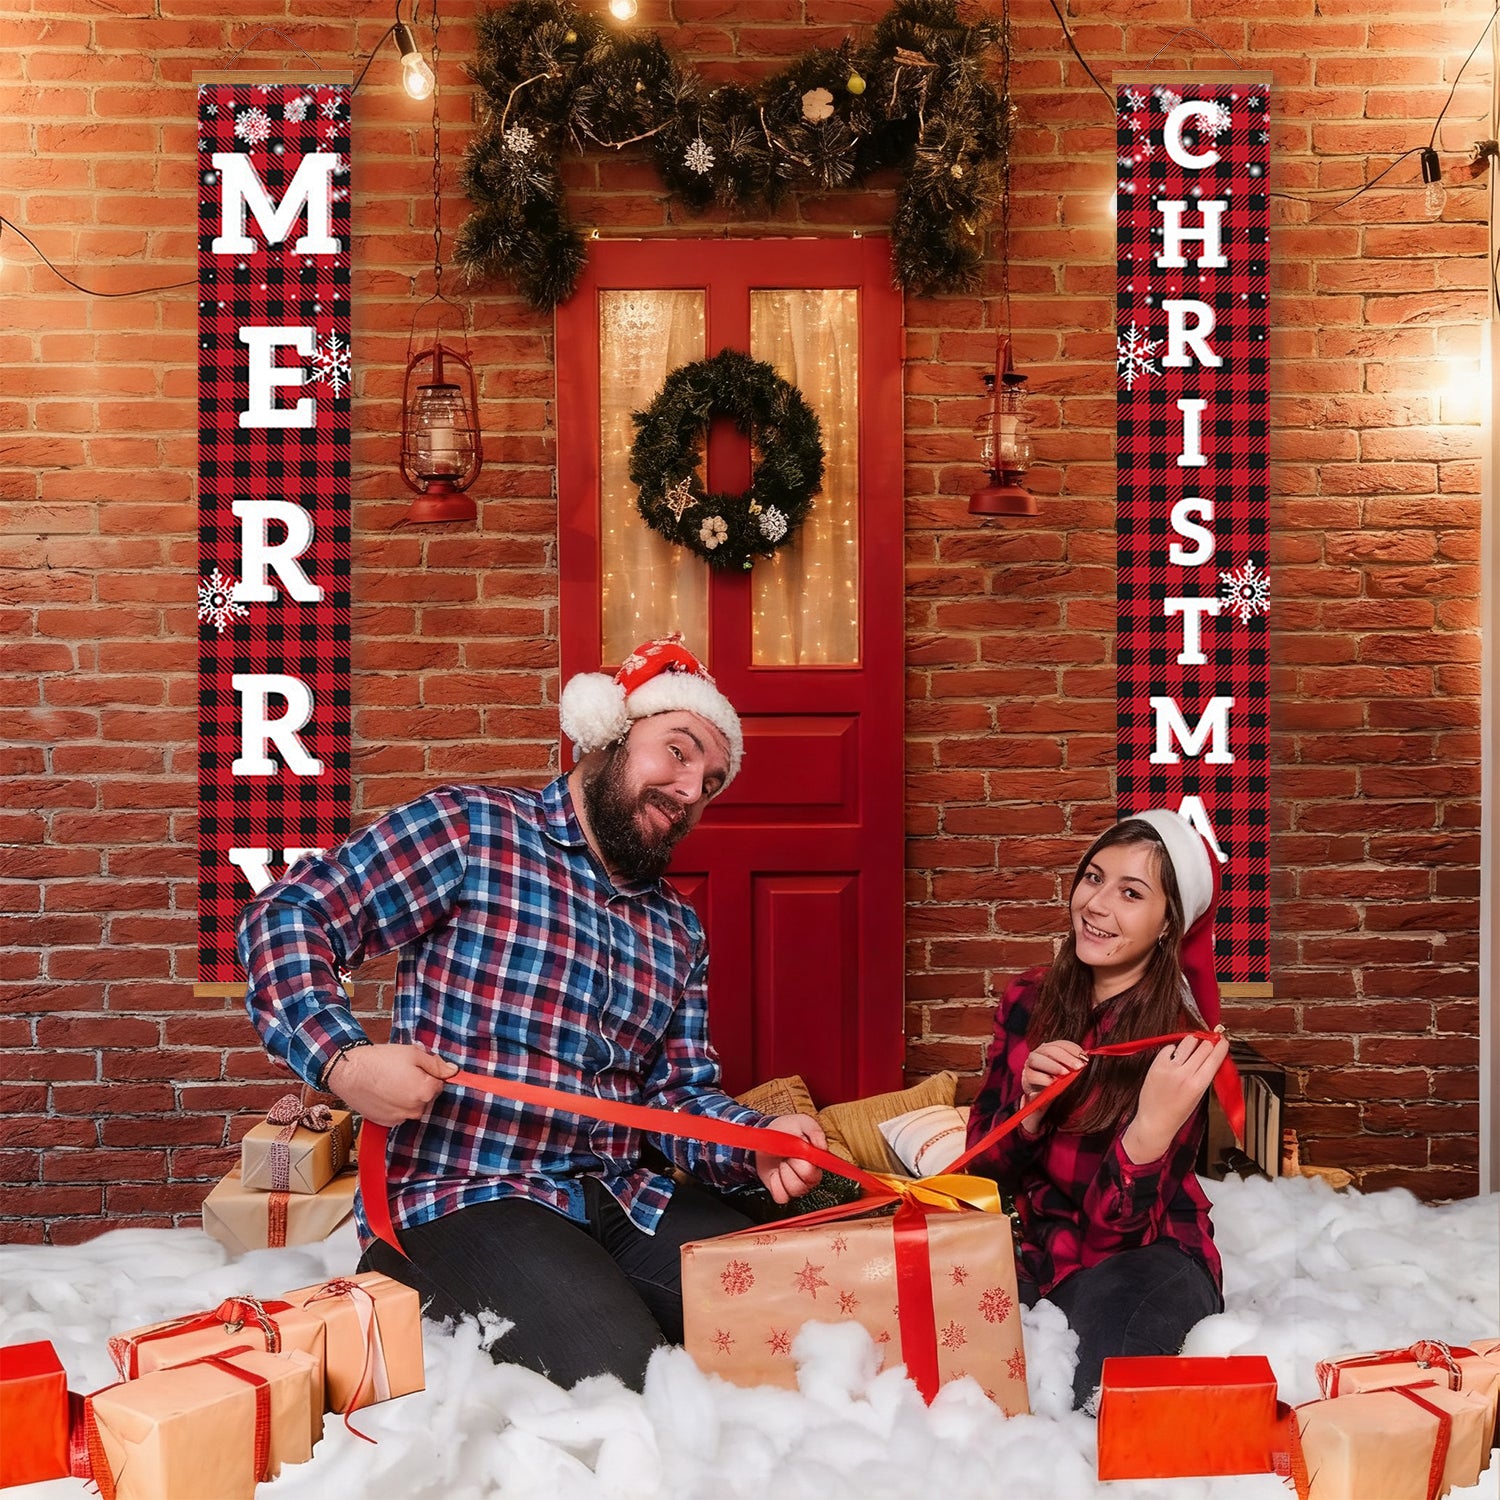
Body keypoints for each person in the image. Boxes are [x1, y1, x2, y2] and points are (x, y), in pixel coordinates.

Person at [239, 635, 825, 1391]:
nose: (689, 790)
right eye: (676, 753)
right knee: (624, 1386)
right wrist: (343, 1061)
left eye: (710, 782)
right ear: (611, 733)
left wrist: (757, 1142)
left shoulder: (677, 929)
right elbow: (289, 913)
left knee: (797, 1330)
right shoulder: (471, 830)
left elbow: (678, 1098)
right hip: (462, 1196)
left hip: (618, 1196)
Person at [963, 808, 1232, 1412]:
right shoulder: (1028, 997)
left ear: (1168, 924)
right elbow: (978, 1173)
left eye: (1130, 893)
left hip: (1145, 1252)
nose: (1097, 904)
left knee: (1100, 1392)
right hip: (1035, 1244)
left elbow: (1118, 1231)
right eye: (1093, 878)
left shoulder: (1182, 1043)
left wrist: (1151, 1130)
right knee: (968, 1378)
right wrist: (1029, 1109)